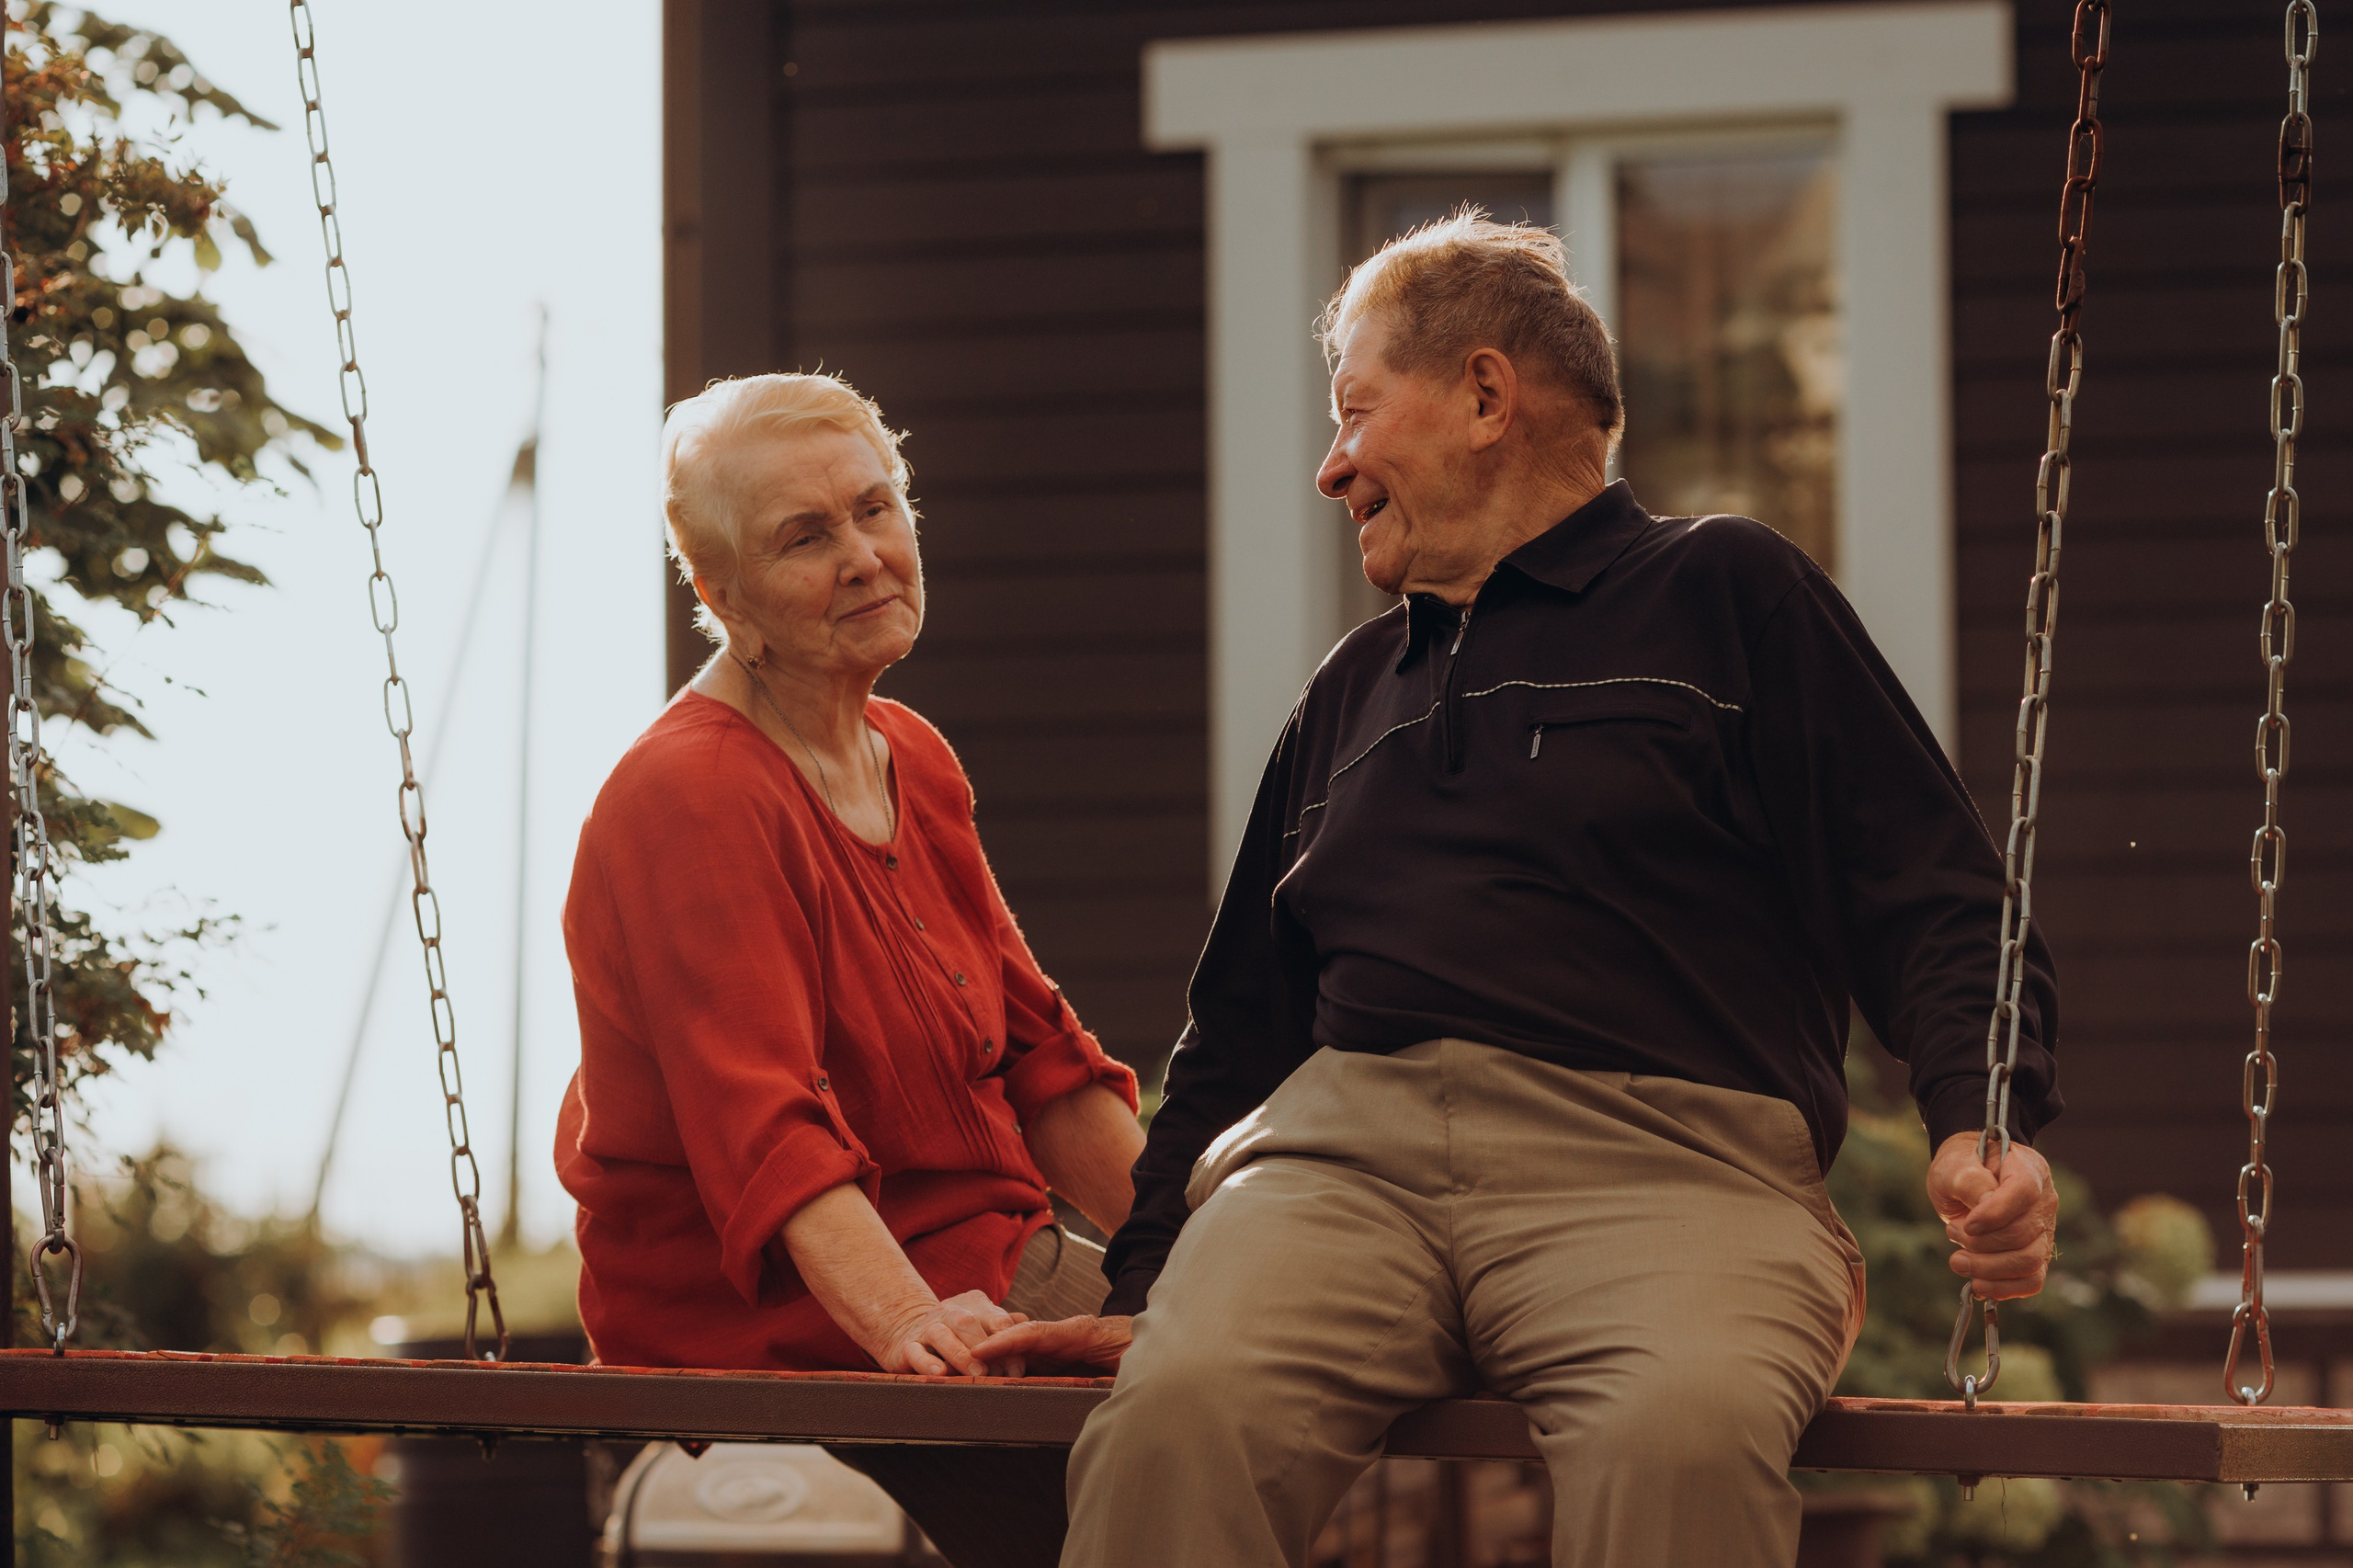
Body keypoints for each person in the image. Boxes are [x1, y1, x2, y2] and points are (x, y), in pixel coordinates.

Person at [974, 213, 2064, 1568]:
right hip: (1334, 1176)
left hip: (1667, 1166)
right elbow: (1240, 1021)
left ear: (1486, 395)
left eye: (1355, 413)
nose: (1332, 468)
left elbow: (1936, 889)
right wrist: (1145, 1281)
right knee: (1174, 1421)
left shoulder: (1723, 588)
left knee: (1679, 1437)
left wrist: (1979, 1118)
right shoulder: (1348, 690)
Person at [554, 370, 1142, 1382]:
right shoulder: (691, 792)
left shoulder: (908, 753)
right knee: (1220, 1421)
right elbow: (763, 1127)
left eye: (876, 509)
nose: (865, 557)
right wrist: (909, 1321)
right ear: (721, 595)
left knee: (1271, 1352)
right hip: (784, 1315)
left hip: (984, 1259)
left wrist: (1215, 1253)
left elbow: (1044, 1065)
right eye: (805, 536)